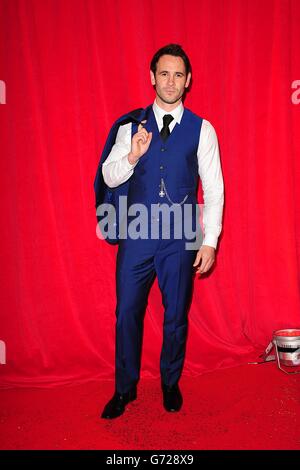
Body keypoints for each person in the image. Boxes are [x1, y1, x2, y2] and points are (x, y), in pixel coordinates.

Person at [98, 44, 224, 419]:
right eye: (164, 74)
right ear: (152, 78)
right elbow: (109, 175)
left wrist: (210, 240)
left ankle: (170, 382)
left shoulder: (203, 129)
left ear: (188, 81)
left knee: (176, 315)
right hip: (137, 232)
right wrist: (133, 155)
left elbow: (214, 188)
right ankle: (124, 389)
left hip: (182, 233)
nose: (171, 81)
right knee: (127, 313)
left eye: (178, 75)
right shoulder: (130, 125)